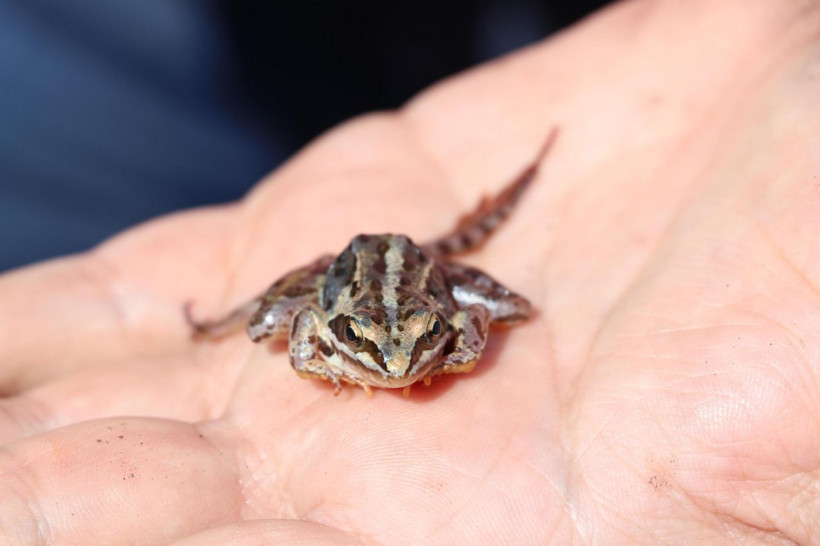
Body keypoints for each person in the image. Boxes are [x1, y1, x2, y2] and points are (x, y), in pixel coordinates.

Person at [0, 0, 817, 542]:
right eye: (376, 352)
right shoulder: (332, 327)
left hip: (420, 265)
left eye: (416, 348)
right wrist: (336, 355)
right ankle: (215, 318)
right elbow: (306, 338)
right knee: (257, 321)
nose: (397, 367)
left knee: (515, 306)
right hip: (333, 235)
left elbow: (464, 325)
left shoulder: (442, 330)